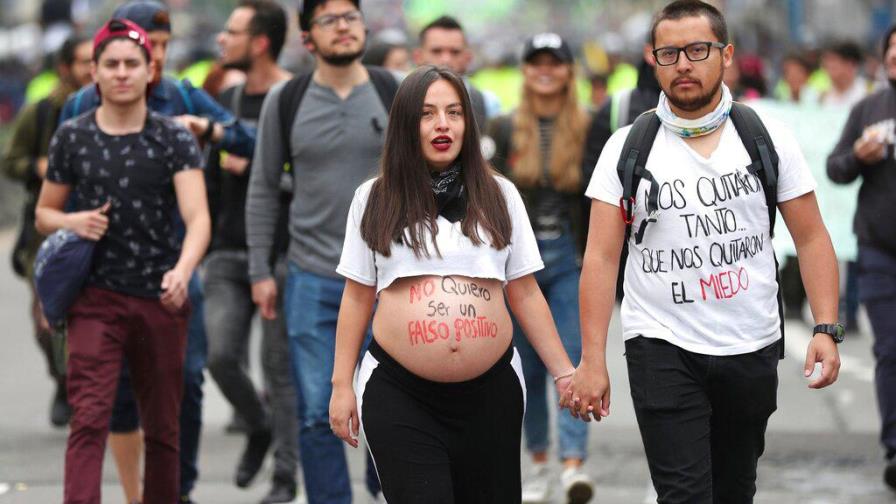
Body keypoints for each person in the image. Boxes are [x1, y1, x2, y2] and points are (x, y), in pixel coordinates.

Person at [578, 1, 842, 502]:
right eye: (669, 52)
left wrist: (826, 328)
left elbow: (810, 236)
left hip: (751, 343)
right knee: (683, 494)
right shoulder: (626, 148)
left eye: (697, 50)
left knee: (735, 487)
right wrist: (593, 360)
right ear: (651, 59)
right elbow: (600, 258)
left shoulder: (765, 137)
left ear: (726, 56)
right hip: (660, 344)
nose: (683, 63)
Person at [329, 64, 584, 504]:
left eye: (453, 112)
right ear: (407, 124)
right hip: (399, 393)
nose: (442, 124)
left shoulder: (500, 195)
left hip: (492, 394)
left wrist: (565, 374)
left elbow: (524, 292)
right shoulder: (373, 197)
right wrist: (340, 387)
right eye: (427, 114)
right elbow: (356, 298)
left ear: (469, 122)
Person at [56, 2, 254, 501]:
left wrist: (206, 130)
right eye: (148, 45)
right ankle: (130, 492)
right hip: (98, 281)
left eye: (160, 48)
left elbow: (249, 139)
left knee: (184, 384)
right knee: (107, 403)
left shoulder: (181, 99)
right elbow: (53, 202)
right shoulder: (81, 109)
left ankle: (176, 490)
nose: (154, 58)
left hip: (174, 273)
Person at [35, 19, 209, 504]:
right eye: (110, 64)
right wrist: (73, 222)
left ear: (151, 69)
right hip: (95, 300)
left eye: (132, 63)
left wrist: (184, 269)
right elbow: (44, 213)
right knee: (88, 420)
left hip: (160, 297)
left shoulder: (173, 139)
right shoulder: (72, 137)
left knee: (162, 427)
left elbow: (198, 219)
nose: (121, 73)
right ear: (93, 72)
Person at [246, 0, 399, 502]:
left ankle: (391, 485)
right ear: (307, 37)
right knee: (316, 409)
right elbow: (264, 188)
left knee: (391, 408)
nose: (342, 27)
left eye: (350, 17)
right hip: (312, 276)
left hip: (390, 276)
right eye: (329, 20)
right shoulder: (285, 100)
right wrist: (259, 271)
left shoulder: (392, 92)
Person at [487, 33, 594, 504]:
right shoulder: (504, 127)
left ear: (569, 70)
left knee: (572, 362)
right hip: (518, 262)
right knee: (526, 368)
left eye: (555, 62)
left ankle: (573, 466)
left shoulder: (591, 127)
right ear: (525, 71)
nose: (545, 70)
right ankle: (536, 465)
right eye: (535, 63)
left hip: (571, 258)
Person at [204, 2, 298, 502]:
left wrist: (265, 175)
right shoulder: (227, 95)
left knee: (279, 371)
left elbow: (310, 178)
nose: (222, 40)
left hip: (281, 253)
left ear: (260, 42)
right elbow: (206, 175)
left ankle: (285, 477)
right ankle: (257, 425)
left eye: (232, 32)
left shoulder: (293, 97)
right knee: (219, 355)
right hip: (224, 250)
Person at [2, 33, 92, 428]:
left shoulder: (117, 107)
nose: (92, 70)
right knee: (47, 325)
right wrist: (36, 168)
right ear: (64, 68)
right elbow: (10, 160)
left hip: (99, 234)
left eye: (97, 61)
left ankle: (94, 395)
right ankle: (63, 381)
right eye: (84, 62)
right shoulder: (41, 113)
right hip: (46, 240)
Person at [827, 23, 896, 491]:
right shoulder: (868, 110)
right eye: (892, 50)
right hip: (879, 252)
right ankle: (895, 448)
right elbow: (835, 168)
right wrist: (858, 156)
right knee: (890, 351)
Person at [414, 15, 501, 130]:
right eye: (436, 51)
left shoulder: (487, 104)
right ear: (418, 56)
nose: (446, 59)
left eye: (455, 52)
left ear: (468, 58)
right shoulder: (398, 98)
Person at [820, 40, 868, 108]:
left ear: (851, 64)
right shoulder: (821, 97)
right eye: (825, 62)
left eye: (832, 61)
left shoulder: (869, 92)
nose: (827, 66)